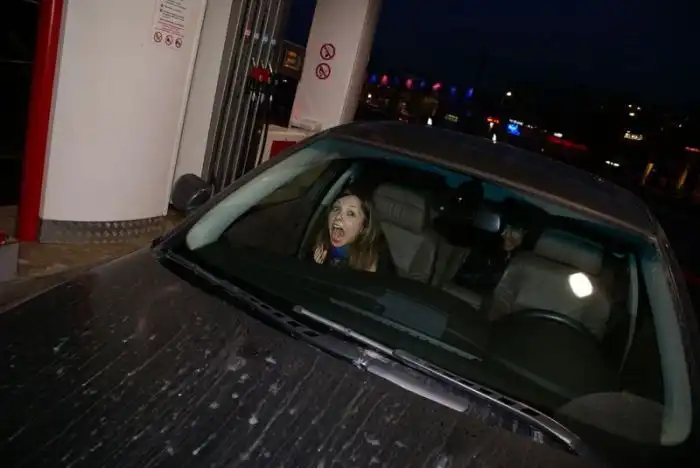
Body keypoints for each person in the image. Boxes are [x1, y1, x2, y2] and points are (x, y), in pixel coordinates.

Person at [311, 188, 393, 273]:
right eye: (336, 208)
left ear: (363, 226)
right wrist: (316, 267)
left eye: (351, 213)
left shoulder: (373, 260)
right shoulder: (318, 243)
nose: (338, 216)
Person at [453, 224, 526, 293]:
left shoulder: (514, 258)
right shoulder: (487, 248)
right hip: (468, 284)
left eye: (516, 240)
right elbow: (468, 273)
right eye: (510, 237)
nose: (512, 242)